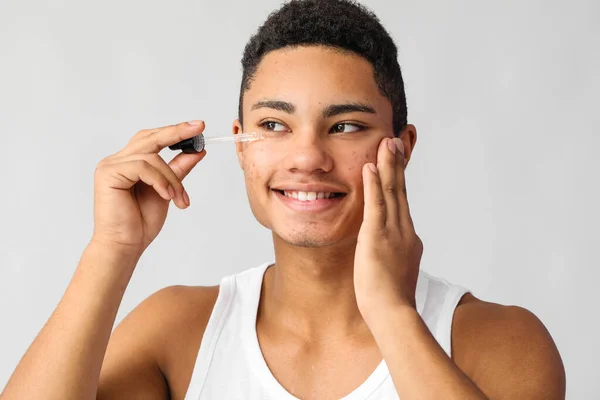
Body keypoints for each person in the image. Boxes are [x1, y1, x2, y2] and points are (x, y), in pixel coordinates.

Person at [1, 0, 566, 399]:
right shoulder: (179, 332)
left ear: (402, 146)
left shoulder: (497, 341)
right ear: (242, 148)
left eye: (344, 126)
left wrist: (392, 313)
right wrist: (111, 249)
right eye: (273, 125)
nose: (307, 157)